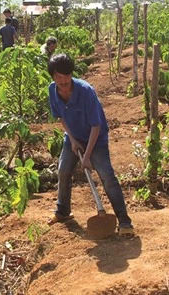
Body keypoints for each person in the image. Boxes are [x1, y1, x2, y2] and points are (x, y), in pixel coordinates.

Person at [46, 53, 134, 237]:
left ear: (71, 74)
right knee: (63, 171)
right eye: (58, 77)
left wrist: (87, 157)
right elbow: (61, 117)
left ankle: (124, 221)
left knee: (106, 176)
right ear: (53, 77)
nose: (63, 81)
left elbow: (96, 125)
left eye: (66, 76)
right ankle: (63, 211)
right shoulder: (52, 90)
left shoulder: (86, 91)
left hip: (96, 138)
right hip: (73, 136)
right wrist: (72, 139)